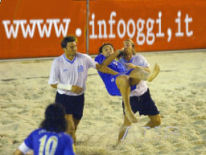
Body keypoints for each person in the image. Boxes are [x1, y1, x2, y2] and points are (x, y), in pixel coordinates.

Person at [48, 36, 115, 143]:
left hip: (79, 99)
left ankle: (66, 144)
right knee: (70, 129)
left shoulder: (84, 58)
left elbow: (100, 67)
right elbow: (52, 83)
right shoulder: (58, 62)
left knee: (74, 129)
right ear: (64, 49)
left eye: (75, 46)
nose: (74, 49)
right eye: (71, 47)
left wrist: (118, 74)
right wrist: (70, 88)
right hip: (63, 98)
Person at [94, 43, 160, 125]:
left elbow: (126, 72)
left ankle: (148, 77)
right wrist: (118, 52)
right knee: (123, 78)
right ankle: (128, 109)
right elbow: (103, 66)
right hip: (112, 84)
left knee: (135, 71)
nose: (108, 51)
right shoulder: (99, 58)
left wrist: (135, 70)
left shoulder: (118, 63)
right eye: (106, 49)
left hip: (126, 84)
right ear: (102, 53)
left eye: (110, 49)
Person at [117, 39, 161, 144]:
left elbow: (148, 70)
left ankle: (143, 129)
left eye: (129, 44)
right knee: (127, 123)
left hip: (144, 94)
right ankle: (118, 143)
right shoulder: (119, 61)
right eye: (124, 45)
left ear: (133, 47)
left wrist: (135, 66)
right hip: (130, 97)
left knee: (157, 121)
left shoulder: (139, 58)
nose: (126, 46)